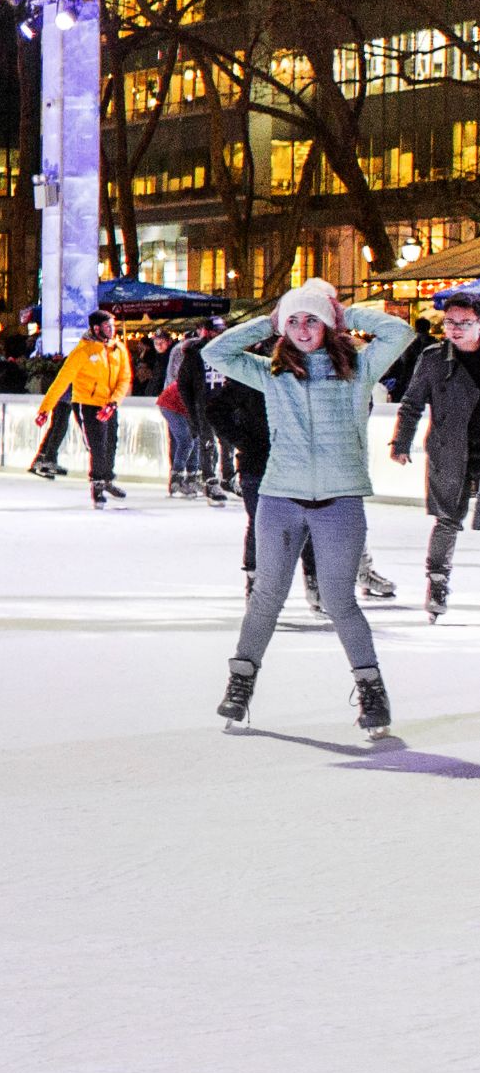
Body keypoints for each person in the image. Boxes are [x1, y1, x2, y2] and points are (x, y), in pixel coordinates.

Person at [207, 281, 414, 734]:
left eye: (312, 319)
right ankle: (240, 683)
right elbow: (216, 354)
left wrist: (348, 314)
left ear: (328, 324)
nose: (302, 329)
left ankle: (372, 691)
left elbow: (400, 334)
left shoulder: (358, 367)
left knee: (341, 600)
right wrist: (272, 318)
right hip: (280, 497)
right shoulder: (272, 372)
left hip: (340, 499)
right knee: (267, 596)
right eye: (294, 321)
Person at [389, 287, 480, 621]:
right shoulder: (433, 359)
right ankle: (438, 583)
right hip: (450, 450)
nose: (455, 328)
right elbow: (412, 404)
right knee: (447, 520)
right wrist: (400, 442)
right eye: (450, 321)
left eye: (465, 322)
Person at [35, 320, 131, 506]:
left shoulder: (117, 349)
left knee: (111, 442)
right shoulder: (82, 351)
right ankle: (97, 485)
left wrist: (114, 402)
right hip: (86, 403)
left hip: (108, 404)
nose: (111, 330)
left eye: (112, 326)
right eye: (106, 326)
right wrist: (45, 408)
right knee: (97, 446)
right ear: (96, 328)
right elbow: (61, 382)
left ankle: (106, 479)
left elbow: (124, 377)